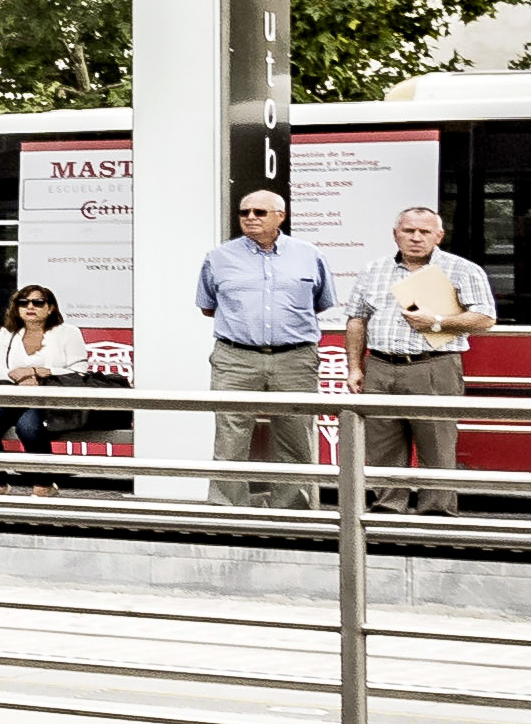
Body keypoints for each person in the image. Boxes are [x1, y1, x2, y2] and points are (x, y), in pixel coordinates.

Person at [189, 182, 342, 506]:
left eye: (260, 212)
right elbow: (207, 305)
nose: (250, 217)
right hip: (236, 357)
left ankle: (295, 509)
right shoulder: (219, 257)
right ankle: (227, 509)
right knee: (230, 436)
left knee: (296, 435)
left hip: (294, 358)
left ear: (280, 216)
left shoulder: (309, 255)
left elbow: (321, 301)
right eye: (244, 212)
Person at [358, 200, 496, 513]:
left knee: (436, 442)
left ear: (439, 236)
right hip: (379, 365)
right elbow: (357, 318)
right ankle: (388, 506)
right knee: (382, 444)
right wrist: (355, 366)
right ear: (396, 235)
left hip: (434, 365)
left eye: (424, 231)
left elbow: (486, 319)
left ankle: (436, 511)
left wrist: (437, 321)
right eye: (409, 231)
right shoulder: (373, 270)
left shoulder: (462, 270)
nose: (416, 237)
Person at [0, 282, 88, 471]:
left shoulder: (68, 332)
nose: (30, 307)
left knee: (29, 428)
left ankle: (44, 484)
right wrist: (19, 377)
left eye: (38, 302)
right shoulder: (8, 332)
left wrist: (39, 372)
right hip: (14, 396)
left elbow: (80, 370)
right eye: (23, 303)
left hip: (48, 399)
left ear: (50, 308)